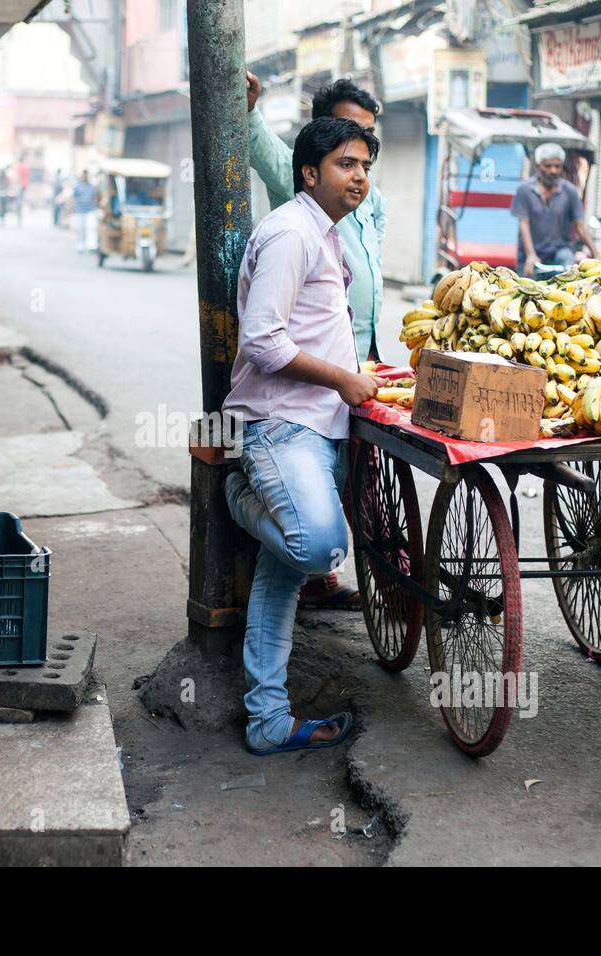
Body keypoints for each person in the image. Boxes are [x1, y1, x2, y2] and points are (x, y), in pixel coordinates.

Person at [222, 116, 384, 755]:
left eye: (366, 166)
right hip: (282, 426)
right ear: (310, 173)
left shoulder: (327, 233)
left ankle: (267, 722)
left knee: (283, 569)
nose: (360, 177)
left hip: (320, 426)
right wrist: (344, 380)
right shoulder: (293, 234)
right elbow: (262, 341)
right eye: (347, 164)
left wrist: (355, 376)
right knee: (317, 548)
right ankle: (237, 496)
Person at [246, 73, 386, 611]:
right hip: (304, 384)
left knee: (362, 478)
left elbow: (367, 272)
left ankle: (344, 568)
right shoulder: (295, 217)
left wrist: (365, 359)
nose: (357, 168)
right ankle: (315, 557)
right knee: (319, 530)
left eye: (366, 150)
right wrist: (251, 111)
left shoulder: (364, 202)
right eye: (346, 150)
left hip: (355, 356)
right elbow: (264, 340)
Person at [512, 142, 599, 276]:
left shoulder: (570, 191)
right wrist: (531, 255)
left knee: (568, 266)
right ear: (538, 166)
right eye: (548, 166)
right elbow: (524, 224)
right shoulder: (524, 190)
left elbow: (581, 226)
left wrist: (596, 255)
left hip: (559, 254)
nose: (553, 171)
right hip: (532, 255)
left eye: (557, 166)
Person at [72, 170, 98, 253]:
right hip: (80, 210)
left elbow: (94, 197)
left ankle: (91, 246)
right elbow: (74, 198)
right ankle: (80, 245)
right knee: (80, 229)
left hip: (90, 210)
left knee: (91, 228)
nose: (85, 177)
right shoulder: (77, 186)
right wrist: (73, 208)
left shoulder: (92, 187)